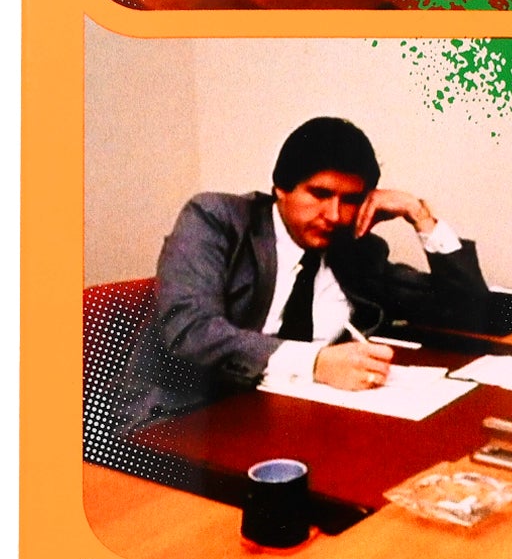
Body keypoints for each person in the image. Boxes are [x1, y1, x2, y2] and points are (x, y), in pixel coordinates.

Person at [119, 116, 489, 430]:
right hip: (189, 419)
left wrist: (420, 216)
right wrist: (316, 363)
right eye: (320, 194)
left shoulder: (352, 249)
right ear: (281, 187)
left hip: (296, 418)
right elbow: (190, 329)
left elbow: (465, 311)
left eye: (350, 200)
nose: (334, 215)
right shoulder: (216, 219)